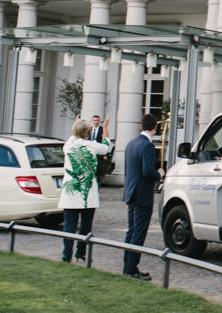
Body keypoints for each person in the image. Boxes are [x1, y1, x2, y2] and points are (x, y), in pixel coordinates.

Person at [59, 117, 112, 263]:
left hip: (71, 191)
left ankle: (66, 254)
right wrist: (105, 127)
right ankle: (81, 252)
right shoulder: (92, 145)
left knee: (69, 225)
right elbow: (107, 146)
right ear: (88, 133)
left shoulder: (68, 146)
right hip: (87, 193)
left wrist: (76, 124)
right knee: (86, 225)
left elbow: (72, 136)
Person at [122, 113, 164, 280]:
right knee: (139, 232)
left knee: (131, 231)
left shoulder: (131, 144)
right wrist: (159, 174)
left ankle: (128, 266)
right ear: (155, 128)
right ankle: (131, 269)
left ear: (141, 126)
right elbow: (147, 171)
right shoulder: (147, 146)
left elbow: (128, 170)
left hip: (131, 191)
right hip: (142, 194)